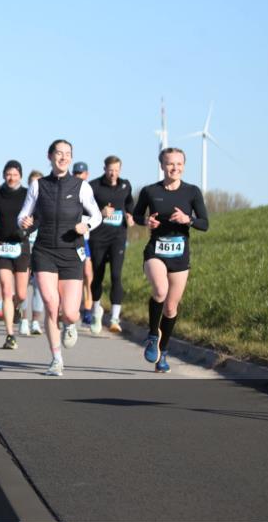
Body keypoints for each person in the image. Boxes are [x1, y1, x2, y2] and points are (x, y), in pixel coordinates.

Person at [18, 140, 102, 376]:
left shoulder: (81, 186)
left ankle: (71, 324)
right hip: (44, 251)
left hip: (71, 253)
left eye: (67, 154)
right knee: (50, 304)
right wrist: (24, 222)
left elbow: (96, 216)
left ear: (71, 158)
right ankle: (56, 358)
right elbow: (24, 215)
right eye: (59, 153)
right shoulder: (38, 185)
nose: (63, 158)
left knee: (70, 312)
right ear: (50, 156)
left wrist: (86, 225)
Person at [133, 147, 209, 373]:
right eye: (170, 164)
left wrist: (188, 219)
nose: (174, 168)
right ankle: (152, 335)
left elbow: (205, 224)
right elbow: (137, 215)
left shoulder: (192, 192)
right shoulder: (150, 191)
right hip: (156, 250)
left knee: (171, 307)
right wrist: (147, 221)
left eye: (179, 164)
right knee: (160, 291)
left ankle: (163, 352)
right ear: (162, 166)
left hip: (180, 254)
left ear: (184, 166)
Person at [0, 160, 32, 350]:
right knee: (6, 290)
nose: (11, 178)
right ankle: (10, 335)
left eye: (15, 174)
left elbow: (38, 217)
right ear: (4, 175)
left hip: (21, 246)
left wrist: (27, 230)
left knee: (20, 293)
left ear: (20, 175)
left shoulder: (27, 194)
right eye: (8, 174)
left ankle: (18, 308)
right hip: (2, 247)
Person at [87, 156, 134, 334]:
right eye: (110, 170)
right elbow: (84, 210)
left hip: (118, 237)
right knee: (98, 276)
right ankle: (96, 311)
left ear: (120, 170)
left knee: (116, 275)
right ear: (104, 169)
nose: (113, 173)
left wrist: (130, 215)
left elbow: (130, 204)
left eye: (116, 170)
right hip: (98, 237)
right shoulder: (94, 186)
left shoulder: (125, 185)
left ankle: (115, 318)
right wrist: (100, 212)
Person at [72, 161, 95, 328]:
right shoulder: (70, 191)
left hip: (86, 240)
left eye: (82, 174)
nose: (79, 176)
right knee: (74, 277)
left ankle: (88, 309)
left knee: (88, 274)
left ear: (86, 175)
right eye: (76, 174)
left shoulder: (90, 191)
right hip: (71, 240)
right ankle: (71, 308)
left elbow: (97, 215)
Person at [24, 170, 44, 335]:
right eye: (33, 183)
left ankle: (35, 321)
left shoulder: (48, 203)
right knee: (23, 286)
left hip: (42, 247)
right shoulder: (24, 202)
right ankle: (24, 319)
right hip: (24, 247)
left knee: (39, 286)